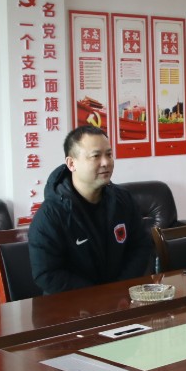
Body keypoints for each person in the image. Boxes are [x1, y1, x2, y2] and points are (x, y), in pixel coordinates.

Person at [29, 126, 151, 294]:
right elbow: (46, 274)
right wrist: (98, 295)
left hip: (120, 297)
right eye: (96, 156)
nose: (106, 162)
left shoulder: (123, 200)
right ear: (71, 163)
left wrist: (119, 288)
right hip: (72, 303)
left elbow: (141, 246)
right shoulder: (50, 215)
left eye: (109, 154)